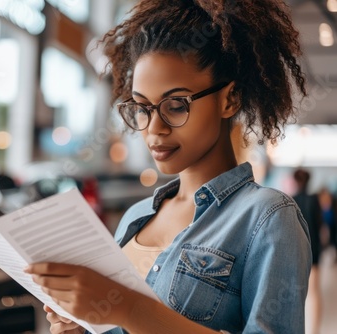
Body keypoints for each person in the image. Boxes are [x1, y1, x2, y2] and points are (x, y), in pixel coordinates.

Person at [24, 0, 312, 333]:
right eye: (143, 108)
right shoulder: (135, 218)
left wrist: (128, 308)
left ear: (229, 99)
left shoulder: (267, 218)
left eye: (176, 106)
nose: (153, 128)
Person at [292, 169, 323, 334]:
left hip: (296, 252)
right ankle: (314, 331)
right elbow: (320, 227)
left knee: (296, 295)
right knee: (314, 292)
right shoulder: (314, 199)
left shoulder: (290, 201)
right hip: (314, 251)